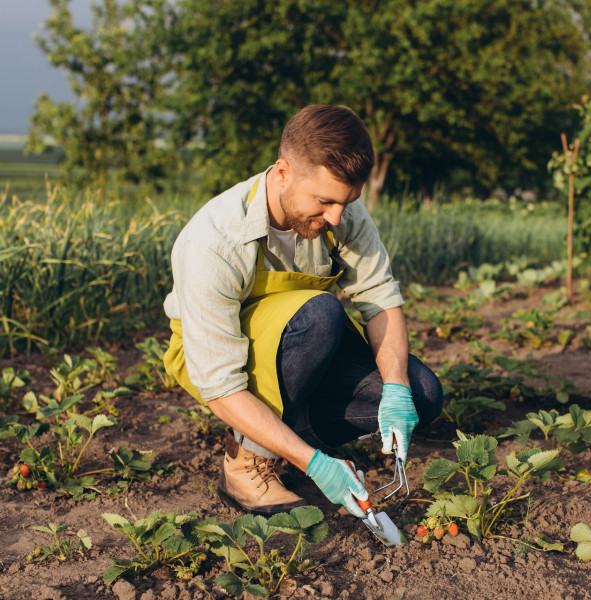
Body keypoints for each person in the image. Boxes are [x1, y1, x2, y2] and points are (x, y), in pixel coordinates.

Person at [162, 104, 443, 519]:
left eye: (347, 203)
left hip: (305, 343)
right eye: (325, 201)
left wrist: (397, 387)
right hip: (223, 357)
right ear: (283, 172)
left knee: (423, 395)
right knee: (319, 314)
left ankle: (289, 432)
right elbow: (220, 385)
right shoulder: (214, 243)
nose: (336, 217)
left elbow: (380, 297)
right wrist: (313, 465)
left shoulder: (340, 212)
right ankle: (246, 459)